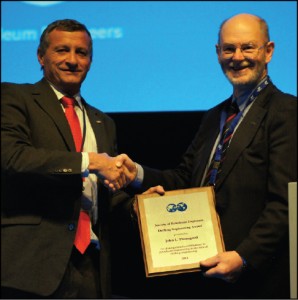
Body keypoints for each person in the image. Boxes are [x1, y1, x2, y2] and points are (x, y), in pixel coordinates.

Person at [129, 13, 297, 298]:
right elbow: (185, 178)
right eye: (229, 48)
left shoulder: (286, 112)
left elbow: (285, 204)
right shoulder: (213, 117)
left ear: (268, 51)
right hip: (206, 274)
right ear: (218, 53)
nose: (237, 56)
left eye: (248, 47)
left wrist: (244, 256)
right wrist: (137, 174)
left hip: (259, 281)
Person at [1, 19, 136, 298]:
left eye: (82, 53)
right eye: (62, 50)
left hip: (91, 266)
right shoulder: (15, 97)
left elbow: (104, 195)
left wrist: (139, 207)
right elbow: (12, 158)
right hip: (29, 266)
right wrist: (93, 161)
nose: (73, 60)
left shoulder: (103, 121)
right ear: (41, 56)